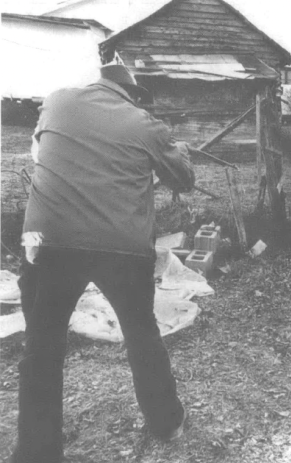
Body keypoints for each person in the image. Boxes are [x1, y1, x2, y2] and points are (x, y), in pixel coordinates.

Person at [11, 64, 195, 463]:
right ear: (131, 93)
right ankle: (167, 421)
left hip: (48, 242)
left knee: (41, 348)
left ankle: (36, 453)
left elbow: (56, 152)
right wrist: (177, 153)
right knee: (142, 333)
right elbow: (183, 180)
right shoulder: (146, 125)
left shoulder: (57, 102)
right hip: (121, 247)